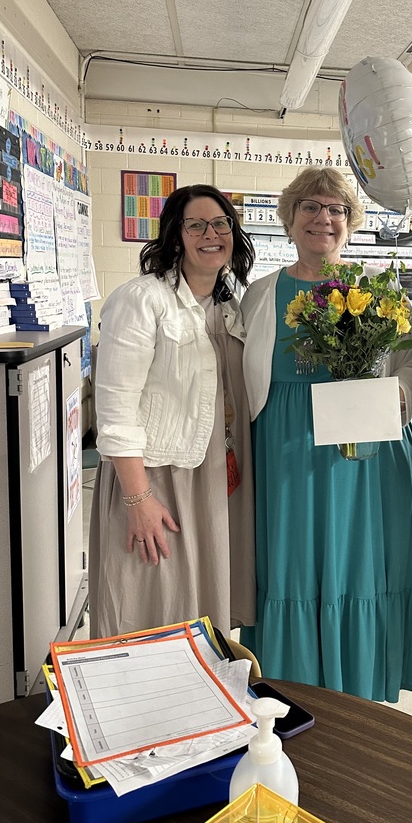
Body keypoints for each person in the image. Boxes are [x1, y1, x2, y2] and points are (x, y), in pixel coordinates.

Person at [240, 166, 412, 702]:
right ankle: (290, 688)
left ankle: (358, 692)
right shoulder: (260, 295)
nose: (323, 218)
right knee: (292, 564)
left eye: (337, 209)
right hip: (285, 451)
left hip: (363, 454)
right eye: (311, 207)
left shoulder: (379, 292)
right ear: (290, 218)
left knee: (357, 564)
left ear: (350, 221)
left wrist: (396, 397)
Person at [89, 184, 256, 639]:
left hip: (213, 476)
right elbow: (116, 409)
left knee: (198, 610)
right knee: (148, 606)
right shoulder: (142, 299)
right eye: (196, 224)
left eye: (221, 223)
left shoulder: (229, 307)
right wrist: (138, 499)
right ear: (174, 236)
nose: (211, 234)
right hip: (155, 478)